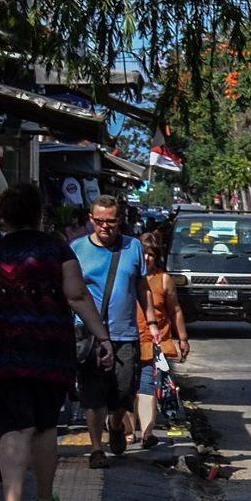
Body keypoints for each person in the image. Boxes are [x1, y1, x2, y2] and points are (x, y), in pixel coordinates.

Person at [0, 183, 114, 501]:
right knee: (45, 427)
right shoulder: (56, 248)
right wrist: (102, 337)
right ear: (37, 213)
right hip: (49, 351)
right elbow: (76, 295)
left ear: (1, 215)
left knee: (13, 429)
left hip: (2, 353)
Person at [72, 194, 161, 468]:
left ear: (119, 221)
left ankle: (116, 423)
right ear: (91, 220)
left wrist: (152, 321)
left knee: (123, 391)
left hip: (125, 334)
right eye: (99, 221)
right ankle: (97, 448)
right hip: (89, 334)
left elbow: (142, 287)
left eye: (110, 222)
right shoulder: (76, 249)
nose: (105, 227)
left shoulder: (133, 247)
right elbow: (71, 291)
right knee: (92, 393)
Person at [131, 233, 190, 449]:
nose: (147, 258)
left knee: (146, 384)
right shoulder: (128, 276)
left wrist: (182, 338)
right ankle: (128, 431)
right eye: (143, 254)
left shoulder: (163, 279)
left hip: (155, 342)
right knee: (126, 387)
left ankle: (147, 433)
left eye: (151, 254)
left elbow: (175, 310)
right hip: (127, 339)